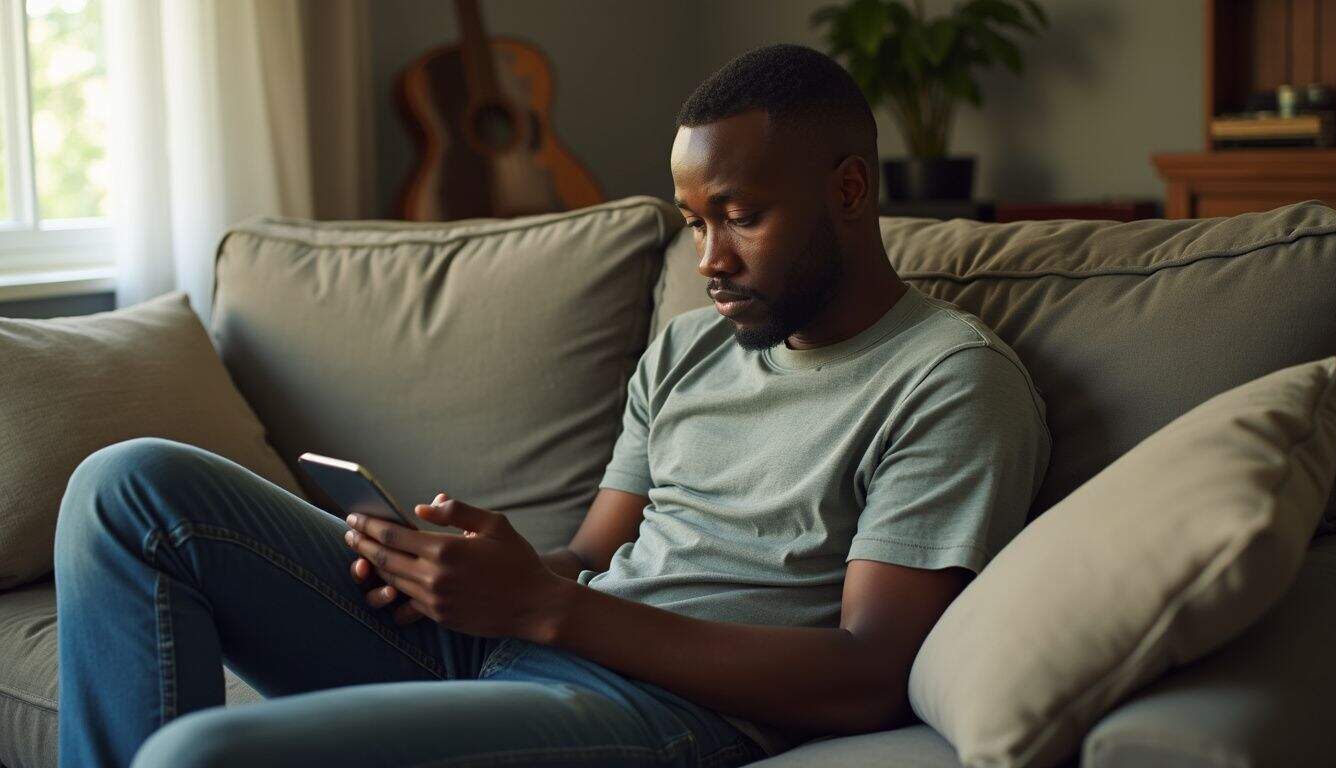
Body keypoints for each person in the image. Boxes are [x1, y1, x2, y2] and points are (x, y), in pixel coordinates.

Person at [54, 42, 1051, 768]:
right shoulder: (692, 348)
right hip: (532, 641)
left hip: (665, 710)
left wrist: (544, 608)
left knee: (203, 757)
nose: (708, 261)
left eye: (741, 218)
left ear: (847, 191)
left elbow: (867, 675)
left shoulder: (948, 383)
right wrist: (480, 566)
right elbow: (589, 556)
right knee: (128, 486)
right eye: (696, 221)